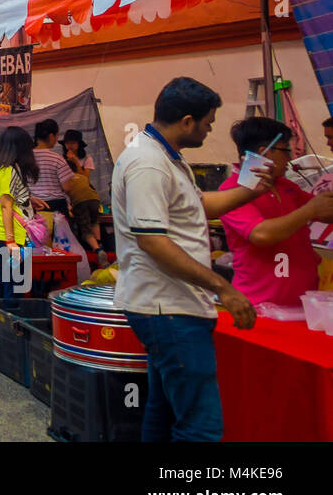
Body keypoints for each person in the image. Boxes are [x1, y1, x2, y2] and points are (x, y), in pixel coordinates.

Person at [112, 77, 275, 442]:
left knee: (164, 410)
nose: (210, 129)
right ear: (187, 121)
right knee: (200, 427)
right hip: (167, 308)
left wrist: (251, 191)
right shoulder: (148, 163)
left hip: (171, 305)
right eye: (207, 123)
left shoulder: (168, 159)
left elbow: (201, 205)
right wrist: (223, 288)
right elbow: (153, 241)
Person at [219, 117, 333, 306]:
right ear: (265, 152)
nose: (290, 158)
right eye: (285, 150)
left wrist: (318, 206)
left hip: (304, 304)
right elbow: (262, 234)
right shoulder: (232, 191)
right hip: (261, 306)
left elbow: (325, 210)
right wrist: (309, 211)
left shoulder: (286, 186)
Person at [0, 126, 38, 300]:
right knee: (14, 287)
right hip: (12, 237)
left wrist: (30, 200)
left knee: (3, 282)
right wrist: (11, 241)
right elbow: (6, 206)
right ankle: (10, 324)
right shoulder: (9, 170)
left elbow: (8, 201)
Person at [61, 131, 104, 260]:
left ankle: (97, 247)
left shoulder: (87, 159)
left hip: (84, 196)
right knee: (89, 222)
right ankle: (97, 246)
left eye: (73, 143)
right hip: (73, 198)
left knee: (90, 223)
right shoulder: (61, 160)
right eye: (67, 143)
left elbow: (85, 178)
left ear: (79, 144)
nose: (70, 146)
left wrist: (75, 162)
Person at [32, 119, 74, 226]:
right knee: (58, 241)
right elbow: (67, 187)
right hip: (55, 207)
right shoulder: (57, 159)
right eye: (56, 136)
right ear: (51, 136)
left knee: (37, 239)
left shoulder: (26, 158)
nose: (56, 139)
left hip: (32, 206)